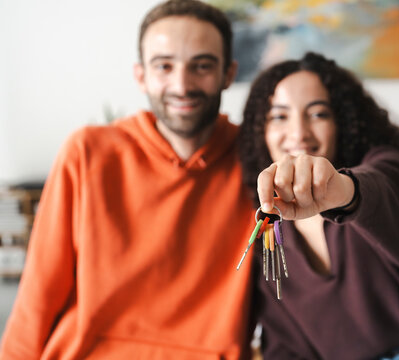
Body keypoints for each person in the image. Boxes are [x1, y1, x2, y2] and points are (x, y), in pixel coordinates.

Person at [0, 1, 256, 359]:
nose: (182, 84)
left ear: (228, 74)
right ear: (141, 76)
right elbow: (39, 292)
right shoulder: (88, 151)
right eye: (164, 66)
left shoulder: (258, 161)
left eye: (201, 66)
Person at [239, 52, 399, 359]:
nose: (299, 133)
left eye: (318, 114)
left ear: (342, 121)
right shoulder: (267, 227)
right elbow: (284, 342)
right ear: (260, 129)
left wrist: (338, 189)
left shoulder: (387, 169)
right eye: (280, 116)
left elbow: (376, 189)